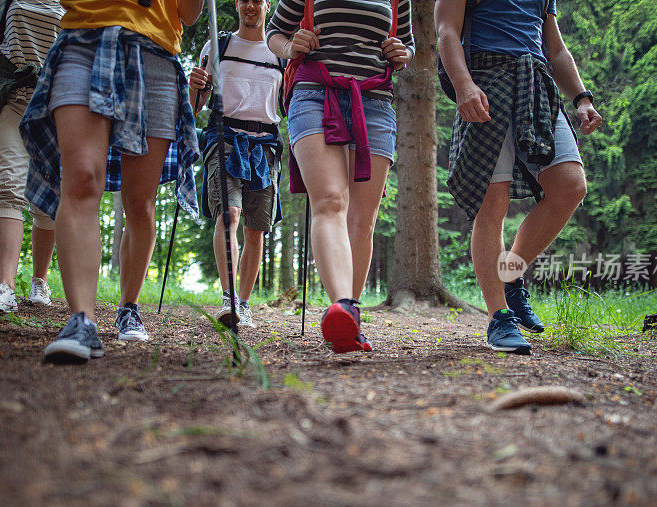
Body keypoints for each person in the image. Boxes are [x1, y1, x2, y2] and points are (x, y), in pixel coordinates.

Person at [19, 0, 203, 362]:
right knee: (82, 179)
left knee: (140, 202)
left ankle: (128, 306)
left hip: (157, 53)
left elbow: (190, 13)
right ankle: (81, 320)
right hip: (83, 41)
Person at [435, 0, 602, 354]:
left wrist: (582, 98)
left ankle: (511, 273)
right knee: (492, 200)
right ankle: (500, 317)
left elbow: (555, 49)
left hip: (537, 84)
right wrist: (463, 85)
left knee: (570, 185)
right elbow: (446, 29)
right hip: (486, 81)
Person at [267, 0, 413, 353]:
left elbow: (407, 44)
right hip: (314, 94)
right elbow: (275, 33)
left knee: (363, 219)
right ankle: (343, 306)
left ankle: (349, 317)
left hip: (375, 101)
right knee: (330, 200)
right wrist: (289, 47)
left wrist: (402, 53)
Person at [0, 0, 63, 313]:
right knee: (8, 181)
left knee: (48, 199)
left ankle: (39, 281)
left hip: (55, 105)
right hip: (9, 97)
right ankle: (4, 287)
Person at [190, 0, 284, 329]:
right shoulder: (218, 45)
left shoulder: (280, 52)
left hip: (265, 145)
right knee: (229, 214)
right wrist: (194, 88)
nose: (250, 5)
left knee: (255, 230)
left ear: (267, 5)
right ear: (237, 3)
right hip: (224, 137)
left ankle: (243, 303)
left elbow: (291, 103)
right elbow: (196, 106)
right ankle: (229, 299)